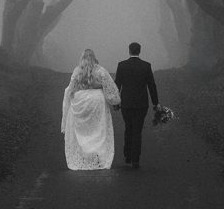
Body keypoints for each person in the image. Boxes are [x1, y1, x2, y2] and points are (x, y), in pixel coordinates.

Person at [61, 48, 121, 170]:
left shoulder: (77, 71)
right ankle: (98, 157)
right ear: (94, 57)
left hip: (80, 100)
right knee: (98, 130)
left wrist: (71, 101)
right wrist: (115, 101)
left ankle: (85, 157)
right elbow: (110, 88)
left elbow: (70, 89)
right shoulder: (100, 70)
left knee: (83, 131)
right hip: (97, 101)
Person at [114, 41, 160, 169]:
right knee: (137, 130)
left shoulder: (122, 65)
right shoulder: (146, 66)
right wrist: (156, 103)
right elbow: (152, 86)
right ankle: (135, 159)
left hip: (126, 103)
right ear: (139, 51)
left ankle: (127, 155)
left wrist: (115, 102)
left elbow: (117, 85)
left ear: (129, 51)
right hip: (141, 104)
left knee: (128, 128)